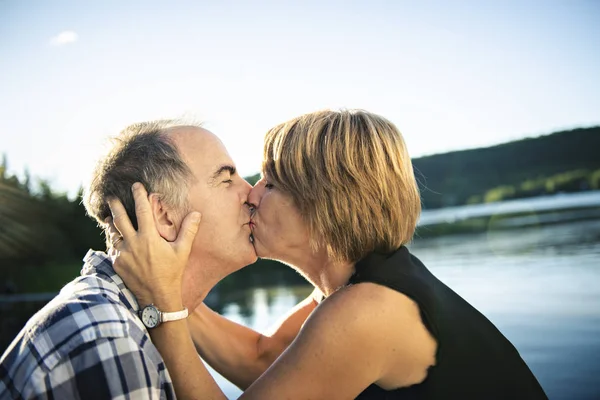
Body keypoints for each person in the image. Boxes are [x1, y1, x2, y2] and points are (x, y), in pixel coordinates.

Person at [108, 109, 548, 399]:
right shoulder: (354, 286)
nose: (251, 194)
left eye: (272, 183)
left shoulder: (367, 311)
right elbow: (263, 359)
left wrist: (162, 309)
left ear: (324, 204)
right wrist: (168, 280)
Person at [0, 120, 257, 399]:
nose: (251, 193)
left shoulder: (126, 323)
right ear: (164, 216)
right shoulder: (110, 338)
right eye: (226, 179)